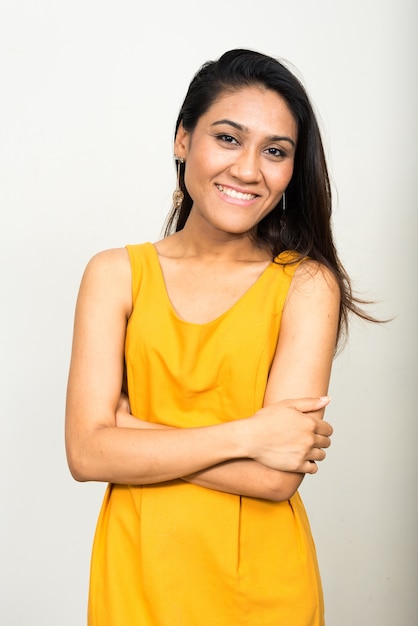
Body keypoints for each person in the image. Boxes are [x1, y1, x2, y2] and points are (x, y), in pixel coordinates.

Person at [65, 48, 367, 625]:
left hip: (263, 586)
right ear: (182, 139)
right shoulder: (115, 274)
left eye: (275, 151)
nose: (249, 169)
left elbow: (277, 477)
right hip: (136, 578)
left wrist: (129, 434)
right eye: (228, 138)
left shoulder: (305, 284)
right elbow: (85, 453)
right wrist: (251, 433)